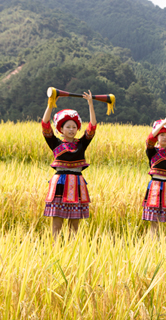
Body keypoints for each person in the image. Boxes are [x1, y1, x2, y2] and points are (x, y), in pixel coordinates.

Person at [41, 90, 97, 238]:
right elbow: (45, 125)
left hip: (77, 183)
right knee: (57, 221)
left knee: (74, 222)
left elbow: (92, 127)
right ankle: (55, 248)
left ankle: (73, 250)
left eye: (74, 127)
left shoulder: (81, 144)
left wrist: (90, 103)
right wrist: (51, 104)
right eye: (68, 127)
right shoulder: (55, 144)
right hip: (60, 183)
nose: (71, 130)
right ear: (61, 129)